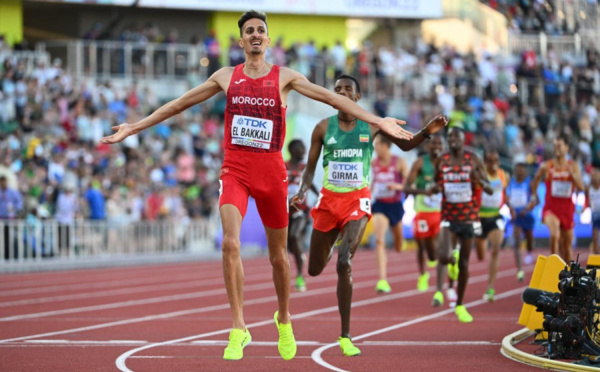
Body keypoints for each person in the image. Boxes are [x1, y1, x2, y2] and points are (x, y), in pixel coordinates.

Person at [100, 10, 414, 361]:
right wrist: (134, 127)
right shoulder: (225, 76)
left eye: (260, 31)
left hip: (271, 174)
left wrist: (376, 120)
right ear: (240, 41)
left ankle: (284, 318)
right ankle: (239, 327)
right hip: (235, 170)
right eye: (249, 30)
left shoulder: (285, 77)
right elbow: (178, 104)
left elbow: (332, 98)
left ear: (267, 41)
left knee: (278, 257)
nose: (254, 34)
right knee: (230, 244)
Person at [291, 74, 448, 356]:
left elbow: (406, 144)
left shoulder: (372, 126)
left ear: (357, 98)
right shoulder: (322, 128)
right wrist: (302, 192)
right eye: (336, 89)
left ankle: (345, 335)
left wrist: (428, 130)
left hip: (358, 201)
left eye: (347, 89)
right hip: (328, 202)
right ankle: (337, 238)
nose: (341, 92)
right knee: (314, 269)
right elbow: (309, 169)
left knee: (344, 263)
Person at [432, 127, 493, 323]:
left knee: (465, 263)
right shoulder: (442, 160)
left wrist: (482, 183)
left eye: (456, 137)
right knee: (443, 255)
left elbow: (489, 187)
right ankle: (451, 262)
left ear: (463, 139)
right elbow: (435, 183)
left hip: (468, 217)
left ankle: (460, 304)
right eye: (450, 138)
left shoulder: (473, 159)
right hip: (448, 216)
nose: (453, 141)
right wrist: (433, 188)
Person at [530, 135, 583, 263]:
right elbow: (535, 181)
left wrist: (573, 175)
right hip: (551, 209)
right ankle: (553, 267)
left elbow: (581, 187)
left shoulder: (573, 166)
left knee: (566, 247)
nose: (556, 149)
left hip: (567, 210)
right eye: (555, 146)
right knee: (555, 235)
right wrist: (534, 196)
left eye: (559, 146)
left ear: (566, 148)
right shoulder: (547, 166)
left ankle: (569, 274)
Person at [403, 134, 444, 293]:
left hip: (441, 212)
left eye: (439, 144)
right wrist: (424, 191)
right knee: (422, 245)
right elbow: (407, 187)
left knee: (441, 244)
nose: (436, 147)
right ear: (428, 147)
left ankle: (444, 267)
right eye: (433, 144)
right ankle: (423, 274)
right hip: (422, 212)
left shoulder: (446, 163)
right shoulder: (420, 163)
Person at [371, 135, 408, 293]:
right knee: (380, 241)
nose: (375, 148)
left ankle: (400, 243)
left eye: (378, 145)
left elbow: (408, 184)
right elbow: (373, 181)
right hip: (379, 205)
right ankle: (382, 280)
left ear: (386, 146)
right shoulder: (373, 163)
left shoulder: (399, 162)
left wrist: (398, 186)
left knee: (398, 244)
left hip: (395, 205)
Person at [475, 149, 509, 302]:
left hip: (495, 216)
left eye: (496, 161)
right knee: (481, 255)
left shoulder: (503, 175)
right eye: (490, 161)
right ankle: (482, 245)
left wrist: (511, 208)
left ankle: (490, 286)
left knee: (496, 248)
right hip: (479, 218)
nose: (494, 164)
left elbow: (504, 194)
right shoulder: (479, 175)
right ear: (485, 162)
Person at [286, 139, 318, 291]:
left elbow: (310, 183)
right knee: (289, 246)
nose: (304, 152)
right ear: (292, 150)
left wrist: (320, 195)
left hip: (301, 209)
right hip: (284, 209)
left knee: (294, 236)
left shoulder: (304, 167)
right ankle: (300, 257)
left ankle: (300, 275)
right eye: (301, 149)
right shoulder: (283, 166)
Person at [505, 161, 537, 277]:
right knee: (517, 241)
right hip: (516, 215)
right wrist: (510, 208)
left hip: (527, 214)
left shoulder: (529, 182)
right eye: (517, 169)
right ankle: (519, 269)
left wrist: (527, 208)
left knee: (529, 239)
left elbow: (534, 198)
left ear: (525, 171)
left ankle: (529, 251)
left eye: (521, 169)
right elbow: (507, 197)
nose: (519, 171)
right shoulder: (511, 182)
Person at [0, 175, 24, 259]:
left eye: (4, 181)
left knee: (11, 238)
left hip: (10, 218)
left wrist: (15, 209)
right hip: (1, 218)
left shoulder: (12, 192)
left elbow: (19, 203)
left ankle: (12, 256)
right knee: (2, 239)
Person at [585, 166, 600, 255]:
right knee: (594, 237)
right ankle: (597, 258)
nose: (594, 177)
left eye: (596, 175)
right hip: (595, 215)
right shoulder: (588, 189)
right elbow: (589, 202)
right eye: (592, 175)